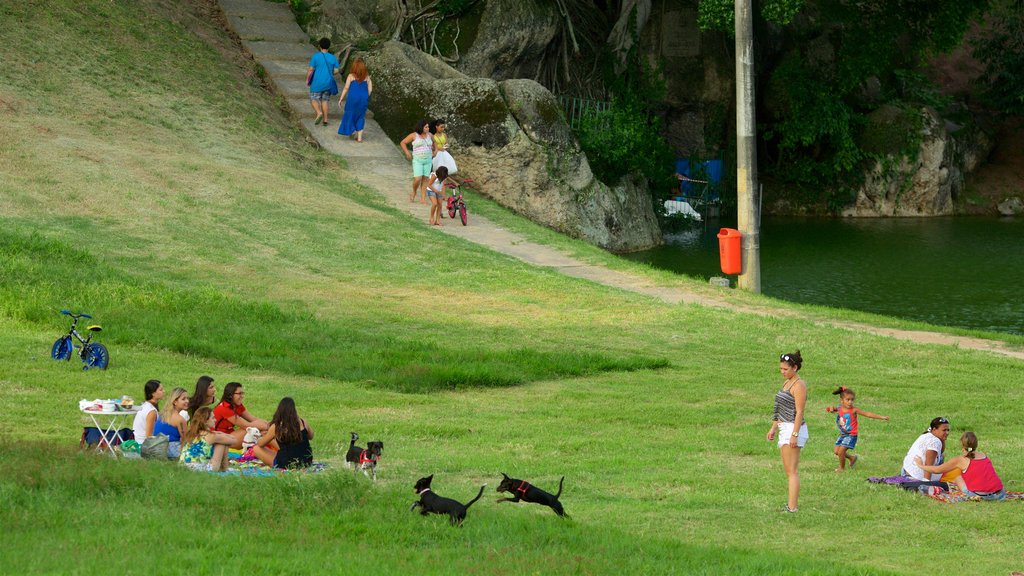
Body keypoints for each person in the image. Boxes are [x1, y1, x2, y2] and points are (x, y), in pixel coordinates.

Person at [766, 350, 807, 513]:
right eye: (781, 369)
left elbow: (799, 412)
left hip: (793, 428)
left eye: (785, 369)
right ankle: (790, 505)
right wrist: (773, 427)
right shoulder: (787, 383)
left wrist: (794, 435)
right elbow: (780, 408)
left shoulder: (799, 385)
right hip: (784, 427)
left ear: (795, 368)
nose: (782, 372)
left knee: (792, 471)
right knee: (788, 471)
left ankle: (792, 507)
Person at [915, 431, 1005, 500]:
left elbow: (937, 470)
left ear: (962, 445)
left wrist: (920, 465)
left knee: (958, 477)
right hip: (1000, 494)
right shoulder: (983, 455)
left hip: (980, 495)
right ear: (976, 445)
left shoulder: (960, 460)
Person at [826, 386, 889, 472]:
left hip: (851, 435)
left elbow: (868, 414)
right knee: (837, 451)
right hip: (843, 434)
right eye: (847, 400)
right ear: (841, 400)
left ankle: (842, 468)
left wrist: (882, 417)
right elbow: (833, 409)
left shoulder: (854, 410)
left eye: (852, 400)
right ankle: (852, 458)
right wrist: (831, 409)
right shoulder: (840, 407)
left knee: (841, 452)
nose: (850, 402)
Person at [251, 397, 314, 469]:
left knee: (256, 448)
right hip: (306, 462)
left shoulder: (276, 427)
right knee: (285, 447)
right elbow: (311, 436)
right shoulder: (303, 422)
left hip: (285, 464)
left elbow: (260, 444)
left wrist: (261, 437)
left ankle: (277, 464)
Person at [213, 382, 270, 448]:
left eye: (243, 393)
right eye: (239, 393)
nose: (242, 396)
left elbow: (253, 419)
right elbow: (246, 425)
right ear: (230, 395)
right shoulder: (224, 408)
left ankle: (279, 448)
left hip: (230, 435)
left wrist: (271, 424)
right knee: (254, 429)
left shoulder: (237, 405)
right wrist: (271, 428)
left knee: (263, 432)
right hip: (220, 440)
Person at [179, 407, 235, 472]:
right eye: (213, 418)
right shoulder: (211, 435)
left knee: (222, 440)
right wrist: (221, 433)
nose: (215, 420)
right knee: (222, 442)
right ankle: (224, 468)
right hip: (199, 469)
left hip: (182, 466)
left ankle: (224, 468)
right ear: (205, 421)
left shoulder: (190, 433)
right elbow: (234, 440)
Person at [901, 417, 950, 482]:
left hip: (905, 471)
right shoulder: (935, 442)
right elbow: (928, 464)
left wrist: (943, 438)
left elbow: (940, 452)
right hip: (917, 476)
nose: (947, 433)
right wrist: (927, 483)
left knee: (941, 457)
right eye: (944, 430)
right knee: (955, 471)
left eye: (948, 430)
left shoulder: (926, 435)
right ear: (934, 429)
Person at [307, 38, 339, 127]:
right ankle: (325, 120)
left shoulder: (316, 57)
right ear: (329, 46)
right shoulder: (333, 58)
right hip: (328, 83)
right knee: (325, 101)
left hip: (317, 82)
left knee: (313, 99)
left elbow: (311, 69)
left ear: (320, 46)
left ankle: (319, 112)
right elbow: (336, 71)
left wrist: (307, 79)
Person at [338, 57, 372, 142]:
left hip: (353, 98)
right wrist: (365, 96)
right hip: (363, 98)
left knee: (350, 114)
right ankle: (359, 138)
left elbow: (346, 88)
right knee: (361, 116)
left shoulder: (351, 76)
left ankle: (351, 129)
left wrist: (341, 99)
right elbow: (370, 89)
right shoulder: (367, 77)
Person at [401, 120, 433, 204]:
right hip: (418, 160)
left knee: (425, 179)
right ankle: (414, 191)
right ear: (421, 127)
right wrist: (407, 152)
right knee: (418, 178)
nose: (428, 128)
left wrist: (436, 150)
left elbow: (435, 144)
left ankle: (423, 198)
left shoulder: (430, 135)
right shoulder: (414, 135)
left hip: (428, 160)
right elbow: (403, 142)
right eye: (426, 127)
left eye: (428, 126)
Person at [154, 387, 190, 458]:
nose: (187, 401)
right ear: (175, 402)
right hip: (170, 449)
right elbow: (186, 440)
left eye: (187, 398)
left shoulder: (163, 413)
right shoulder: (180, 419)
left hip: (156, 447)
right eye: (183, 399)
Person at [132, 379, 164, 444]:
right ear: (153, 394)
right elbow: (149, 436)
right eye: (161, 390)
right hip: (143, 445)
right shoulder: (151, 411)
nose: (164, 391)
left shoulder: (145, 405)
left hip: (138, 442)